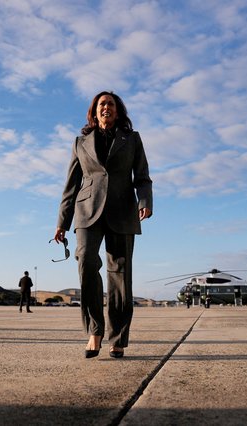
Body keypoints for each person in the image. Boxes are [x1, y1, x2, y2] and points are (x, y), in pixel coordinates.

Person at [54, 91, 153, 359]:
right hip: (87, 211)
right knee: (86, 262)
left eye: (110, 104)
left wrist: (144, 201)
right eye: (101, 104)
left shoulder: (132, 139)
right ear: (94, 112)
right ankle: (95, 331)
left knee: (119, 274)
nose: (105, 107)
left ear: (117, 111)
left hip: (123, 210)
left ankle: (117, 337)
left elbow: (142, 176)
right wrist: (62, 222)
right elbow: (71, 186)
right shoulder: (80, 142)